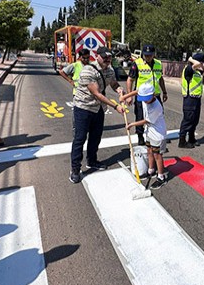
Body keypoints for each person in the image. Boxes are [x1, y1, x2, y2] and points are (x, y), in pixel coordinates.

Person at [68, 48, 125, 184]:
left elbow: (113, 83)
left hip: (98, 109)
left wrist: (120, 90)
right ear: (97, 56)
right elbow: (97, 94)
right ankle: (75, 169)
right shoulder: (88, 70)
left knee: (96, 136)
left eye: (109, 58)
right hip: (83, 108)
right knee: (80, 138)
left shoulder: (110, 70)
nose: (107, 60)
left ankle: (92, 161)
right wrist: (116, 106)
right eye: (104, 57)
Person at [122, 83, 168, 189]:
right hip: (149, 131)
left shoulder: (156, 106)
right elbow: (137, 91)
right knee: (149, 151)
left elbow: (146, 121)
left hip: (158, 133)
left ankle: (161, 177)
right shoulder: (144, 96)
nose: (144, 101)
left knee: (157, 155)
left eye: (146, 98)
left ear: (153, 95)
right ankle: (151, 170)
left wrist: (132, 124)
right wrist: (125, 96)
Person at [125, 45, 167, 146]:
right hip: (142, 96)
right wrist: (129, 95)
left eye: (150, 55)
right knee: (140, 116)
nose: (147, 57)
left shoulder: (158, 64)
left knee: (158, 115)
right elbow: (130, 79)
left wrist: (164, 91)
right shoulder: (137, 64)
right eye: (146, 55)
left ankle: (156, 134)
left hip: (155, 95)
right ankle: (140, 136)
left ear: (154, 54)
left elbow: (160, 79)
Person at [179, 53, 204, 148]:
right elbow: (196, 65)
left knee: (195, 120)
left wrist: (202, 65)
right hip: (189, 98)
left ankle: (191, 138)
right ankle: (182, 141)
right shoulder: (188, 69)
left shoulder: (197, 71)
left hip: (196, 98)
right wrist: (191, 60)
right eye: (201, 62)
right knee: (188, 119)